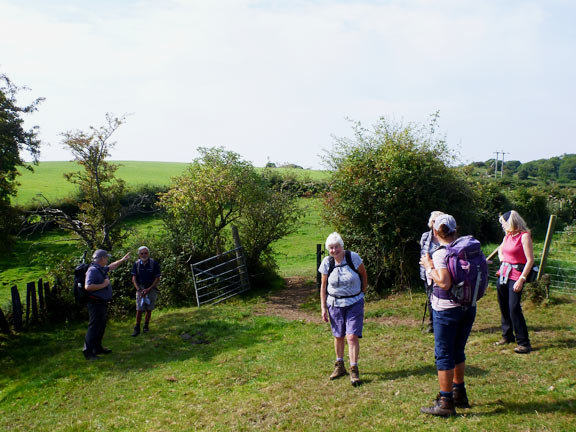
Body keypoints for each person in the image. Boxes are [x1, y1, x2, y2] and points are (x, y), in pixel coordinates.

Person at [419, 214, 476, 417]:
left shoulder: (441, 253)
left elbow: (444, 282)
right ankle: (459, 393)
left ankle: (446, 402)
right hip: (468, 307)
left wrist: (429, 266)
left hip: (446, 309)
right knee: (458, 350)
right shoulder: (464, 248)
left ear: (435, 232)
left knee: (443, 354)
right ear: (454, 230)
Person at [319, 232, 368, 386]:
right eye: (331, 248)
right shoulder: (327, 263)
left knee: (352, 336)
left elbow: (364, 274)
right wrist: (323, 307)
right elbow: (323, 286)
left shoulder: (353, 257)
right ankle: (340, 366)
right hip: (334, 304)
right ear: (329, 250)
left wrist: (362, 293)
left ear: (342, 246)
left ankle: (354, 369)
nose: (334, 250)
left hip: (354, 302)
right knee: (338, 336)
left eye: (337, 247)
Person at [495, 210, 533, 354]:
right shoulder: (508, 236)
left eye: (503, 223)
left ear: (510, 222)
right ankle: (507, 336)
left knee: (514, 308)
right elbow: (501, 250)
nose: (503, 226)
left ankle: (524, 343)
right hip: (503, 274)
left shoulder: (524, 236)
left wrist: (522, 279)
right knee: (504, 306)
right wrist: (502, 259)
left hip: (516, 276)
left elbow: (530, 260)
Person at [83, 249, 130, 360]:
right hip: (95, 303)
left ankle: (97, 348)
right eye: (106, 257)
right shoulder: (93, 270)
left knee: (101, 326)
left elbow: (111, 267)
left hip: (101, 302)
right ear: (102, 258)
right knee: (94, 327)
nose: (107, 259)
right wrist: (104, 284)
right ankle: (88, 352)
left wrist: (122, 260)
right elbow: (88, 287)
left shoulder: (100, 268)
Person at [419, 211, 445, 333]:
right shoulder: (425, 236)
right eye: (434, 221)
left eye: (439, 220)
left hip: (442, 272)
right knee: (430, 298)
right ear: (431, 222)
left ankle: (442, 323)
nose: (436, 223)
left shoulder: (445, 236)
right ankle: (433, 324)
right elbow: (423, 253)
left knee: (441, 298)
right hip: (428, 273)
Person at [131, 246, 161, 336]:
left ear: (148, 253)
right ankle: (137, 328)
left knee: (149, 309)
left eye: (145, 253)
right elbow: (134, 278)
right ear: (139, 255)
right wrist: (139, 290)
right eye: (142, 253)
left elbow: (157, 278)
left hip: (151, 288)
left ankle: (146, 326)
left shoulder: (154, 264)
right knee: (139, 309)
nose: (144, 255)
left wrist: (149, 289)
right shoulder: (136, 264)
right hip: (140, 288)